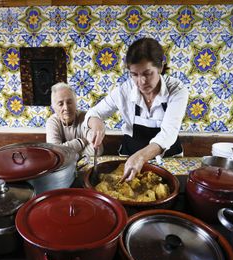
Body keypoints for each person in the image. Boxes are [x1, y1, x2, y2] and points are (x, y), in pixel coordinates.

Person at [84, 37, 189, 181]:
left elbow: (168, 133)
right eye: (134, 74)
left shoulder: (177, 90)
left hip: (168, 160)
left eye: (147, 73)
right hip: (129, 157)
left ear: (160, 67)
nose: (141, 81)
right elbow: (93, 113)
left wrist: (141, 157)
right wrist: (96, 124)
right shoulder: (124, 91)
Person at [46, 82, 101, 157]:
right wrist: (81, 142)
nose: (66, 108)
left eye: (69, 102)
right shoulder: (52, 122)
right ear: (54, 107)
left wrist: (67, 154)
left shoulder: (86, 118)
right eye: (60, 104)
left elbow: (97, 150)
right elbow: (55, 152)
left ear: (76, 103)